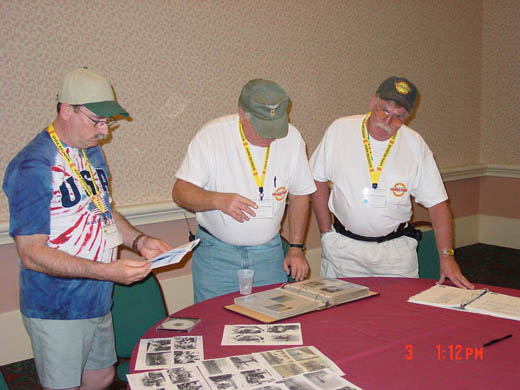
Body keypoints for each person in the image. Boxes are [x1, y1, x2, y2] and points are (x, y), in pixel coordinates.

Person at [3, 67, 172, 390]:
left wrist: (139, 240)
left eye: (108, 121)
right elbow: (32, 255)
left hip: (96, 296)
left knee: (102, 376)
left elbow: (103, 210)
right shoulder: (32, 166)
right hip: (56, 305)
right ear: (67, 110)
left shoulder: (90, 150)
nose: (105, 131)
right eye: (97, 121)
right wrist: (108, 271)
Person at [309, 76, 473, 289]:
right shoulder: (340, 130)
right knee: (341, 316)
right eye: (383, 110)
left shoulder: (415, 145)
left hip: (395, 254)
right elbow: (317, 177)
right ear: (372, 102)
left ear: (409, 116)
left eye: (398, 117)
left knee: (397, 316)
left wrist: (446, 256)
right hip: (344, 249)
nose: (387, 122)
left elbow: (437, 204)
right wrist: (325, 229)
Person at [172, 79, 316, 302]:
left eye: (276, 127)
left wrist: (296, 248)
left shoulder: (292, 138)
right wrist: (217, 200)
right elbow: (180, 191)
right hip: (216, 255)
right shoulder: (213, 135)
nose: (271, 137)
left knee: (272, 325)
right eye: (263, 129)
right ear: (242, 114)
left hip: (269, 253)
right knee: (215, 326)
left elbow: (300, 195)